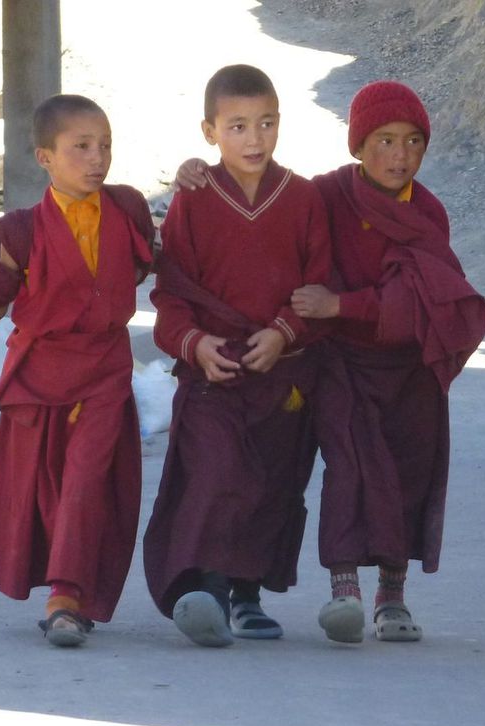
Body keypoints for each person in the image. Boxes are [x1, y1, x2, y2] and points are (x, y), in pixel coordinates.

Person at [177, 80, 485, 644]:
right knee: (348, 467)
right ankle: (343, 591)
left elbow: (434, 294)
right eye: (385, 140)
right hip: (342, 361)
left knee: (406, 475)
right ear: (357, 145)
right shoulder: (326, 194)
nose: (400, 155)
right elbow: (267, 207)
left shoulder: (428, 213)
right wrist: (194, 169)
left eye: (414, 141)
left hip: (411, 365)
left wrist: (346, 304)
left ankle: (392, 599)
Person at [0, 94, 154, 648]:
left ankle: (65, 600)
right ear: (45, 158)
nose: (97, 158)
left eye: (104, 145)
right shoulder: (21, 229)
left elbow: (165, 258)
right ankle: (67, 589)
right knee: (51, 488)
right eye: (81, 147)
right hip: (43, 373)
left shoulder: (129, 209)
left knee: (88, 478)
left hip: (106, 369)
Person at [143, 64, 332, 647]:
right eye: (238, 126)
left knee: (274, 481)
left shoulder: (303, 199)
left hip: (281, 372)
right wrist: (194, 344)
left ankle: (247, 596)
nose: (254, 139)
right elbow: (172, 293)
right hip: (212, 371)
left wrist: (283, 332)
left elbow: (319, 286)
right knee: (219, 472)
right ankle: (211, 594)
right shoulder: (193, 202)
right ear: (210, 131)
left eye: (266, 124)